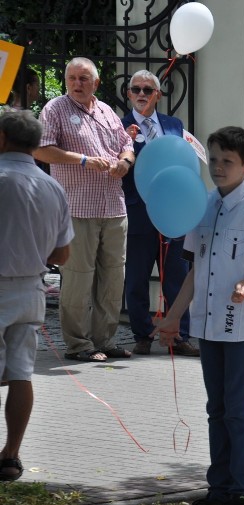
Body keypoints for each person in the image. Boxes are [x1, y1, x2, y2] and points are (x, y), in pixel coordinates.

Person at [155, 126, 244, 505]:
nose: (217, 168)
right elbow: (195, 267)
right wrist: (174, 315)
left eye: (227, 162)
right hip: (208, 325)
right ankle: (217, 492)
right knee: (216, 409)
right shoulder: (204, 205)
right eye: (213, 160)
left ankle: (241, 495)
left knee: (237, 408)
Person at [33, 57, 136, 362]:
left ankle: (105, 340)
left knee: (113, 278)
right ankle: (79, 345)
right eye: (72, 78)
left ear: (96, 83)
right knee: (78, 278)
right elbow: (41, 149)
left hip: (114, 207)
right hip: (77, 208)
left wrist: (126, 162)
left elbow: (126, 145)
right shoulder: (55, 109)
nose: (77, 84)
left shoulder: (106, 111)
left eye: (83, 78)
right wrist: (82, 160)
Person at [0, 111, 74, 481]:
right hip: (31, 287)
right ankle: (11, 454)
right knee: (20, 372)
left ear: (2, 139)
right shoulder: (53, 187)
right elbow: (62, 255)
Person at [121, 70, 198, 357]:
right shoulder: (119, 127)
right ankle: (143, 335)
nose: (142, 94)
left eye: (147, 89)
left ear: (158, 94)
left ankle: (178, 335)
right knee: (137, 278)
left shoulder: (173, 124)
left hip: (173, 214)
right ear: (129, 94)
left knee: (177, 277)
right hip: (139, 213)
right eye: (136, 89)